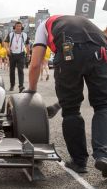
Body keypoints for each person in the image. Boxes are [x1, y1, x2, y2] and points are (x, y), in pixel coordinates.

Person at [27, 15, 107, 175]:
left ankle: (79, 162)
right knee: (103, 105)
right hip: (100, 51)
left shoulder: (44, 25)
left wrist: (31, 90)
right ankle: (103, 155)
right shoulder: (87, 23)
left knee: (71, 109)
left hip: (68, 53)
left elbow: (35, 64)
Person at [4, 22, 30, 92]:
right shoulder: (10, 34)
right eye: (17, 26)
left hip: (21, 54)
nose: (18, 27)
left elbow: (27, 45)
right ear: (14, 27)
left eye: (20, 26)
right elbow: (5, 42)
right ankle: (12, 85)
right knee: (12, 71)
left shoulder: (25, 35)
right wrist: (7, 49)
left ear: (22, 27)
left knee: (20, 70)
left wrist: (28, 54)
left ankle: (21, 86)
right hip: (12, 54)